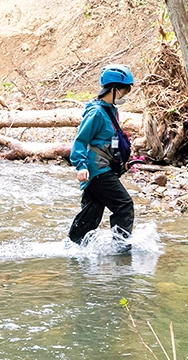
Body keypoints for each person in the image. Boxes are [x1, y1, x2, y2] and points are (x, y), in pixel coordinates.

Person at [68, 65, 138, 248]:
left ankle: (74, 247)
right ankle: (120, 249)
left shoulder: (111, 110)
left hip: (104, 167)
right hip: (96, 169)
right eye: (123, 92)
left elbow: (109, 141)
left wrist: (121, 164)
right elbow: (80, 141)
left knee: (92, 212)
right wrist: (81, 165)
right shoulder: (96, 112)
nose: (124, 96)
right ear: (113, 89)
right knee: (124, 206)